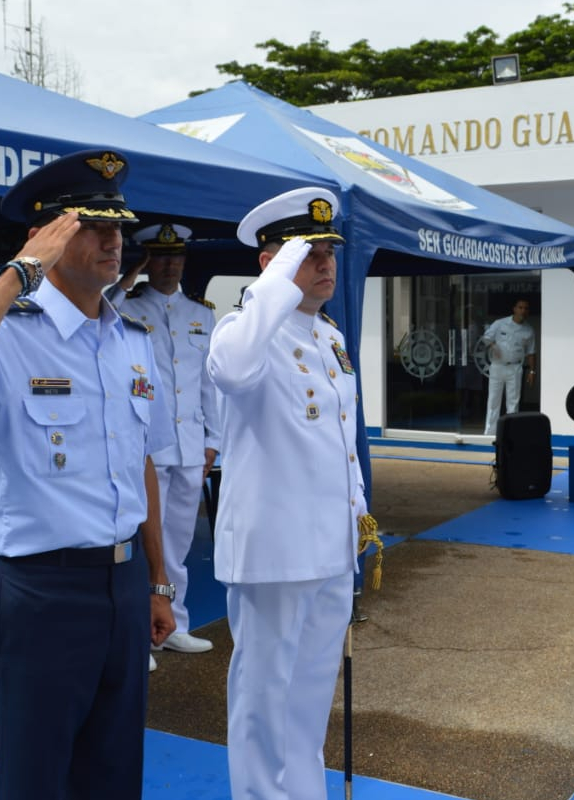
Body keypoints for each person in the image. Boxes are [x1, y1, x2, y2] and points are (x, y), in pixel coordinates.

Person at [0, 149, 177, 800]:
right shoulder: (4, 332)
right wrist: (16, 278)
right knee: (35, 782)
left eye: (119, 228)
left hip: (124, 584)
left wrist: (158, 581)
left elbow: (141, 468)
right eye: (93, 226)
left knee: (114, 778)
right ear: (46, 237)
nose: (115, 240)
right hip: (42, 595)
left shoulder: (133, 339)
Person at [207, 186, 368, 800]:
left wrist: (357, 519)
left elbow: (342, 441)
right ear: (270, 262)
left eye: (329, 251)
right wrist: (274, 282)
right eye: (309, 252)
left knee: (306, 706)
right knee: (263, 703)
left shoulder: (327, 336)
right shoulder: (244, 332)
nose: (326, 263)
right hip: (274, 555)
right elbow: (232, 370)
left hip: (328, 550)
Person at [106, 222, 220, 666]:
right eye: (160, 256)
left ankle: (177, 625)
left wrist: (214, 439)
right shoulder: (128, 306)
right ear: (147, 260)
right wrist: (127, 278)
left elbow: (209, 383)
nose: (170, 263)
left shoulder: (202, 314)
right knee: (143, 542)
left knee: (178, 542)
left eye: (176, 256)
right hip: (147, 446)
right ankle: (142, 631)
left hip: (191, 444)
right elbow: (98, 309)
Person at [479, 298, 536, 435]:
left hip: (515, 368)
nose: (523, 311)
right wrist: (493, 346)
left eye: (526, 308)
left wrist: (533, 371)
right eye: (520, 307)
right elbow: (486, 337)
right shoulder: (500, 323)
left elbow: (531, 353)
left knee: (513, 402)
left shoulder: (529, 330)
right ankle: (490, 433)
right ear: (514, 309)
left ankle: (511, 433)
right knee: (493, 400)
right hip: (497, 367)